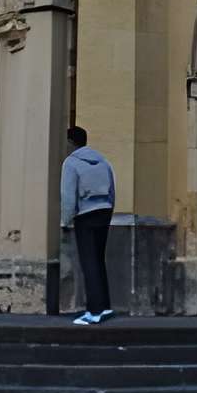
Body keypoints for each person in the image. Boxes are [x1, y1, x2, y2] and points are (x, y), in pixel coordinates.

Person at [61, 125, 117, 326]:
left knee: (89, 262)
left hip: (84, 215)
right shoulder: (103, 161)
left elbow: (68, 196)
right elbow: (112, 189)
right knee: (99, 260)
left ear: (70, 142)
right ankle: (105, 306)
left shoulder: (71, 163)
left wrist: (66, 221)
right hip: (104, 212)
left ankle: (93, 311)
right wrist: (108, 211)